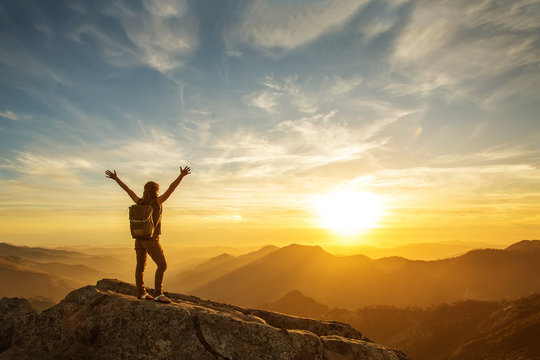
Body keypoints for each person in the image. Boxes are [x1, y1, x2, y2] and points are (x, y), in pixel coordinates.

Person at [105, 166, 191, 303]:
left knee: (140, 267)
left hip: (138, 239)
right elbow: (171, 188)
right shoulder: (157, 202)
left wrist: (116, 179)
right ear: (156, 191)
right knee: (162, 265)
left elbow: (128, 190)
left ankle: (142, 293)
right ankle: (158, 294)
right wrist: (181, 176)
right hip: (152, 240)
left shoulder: (139, 202)